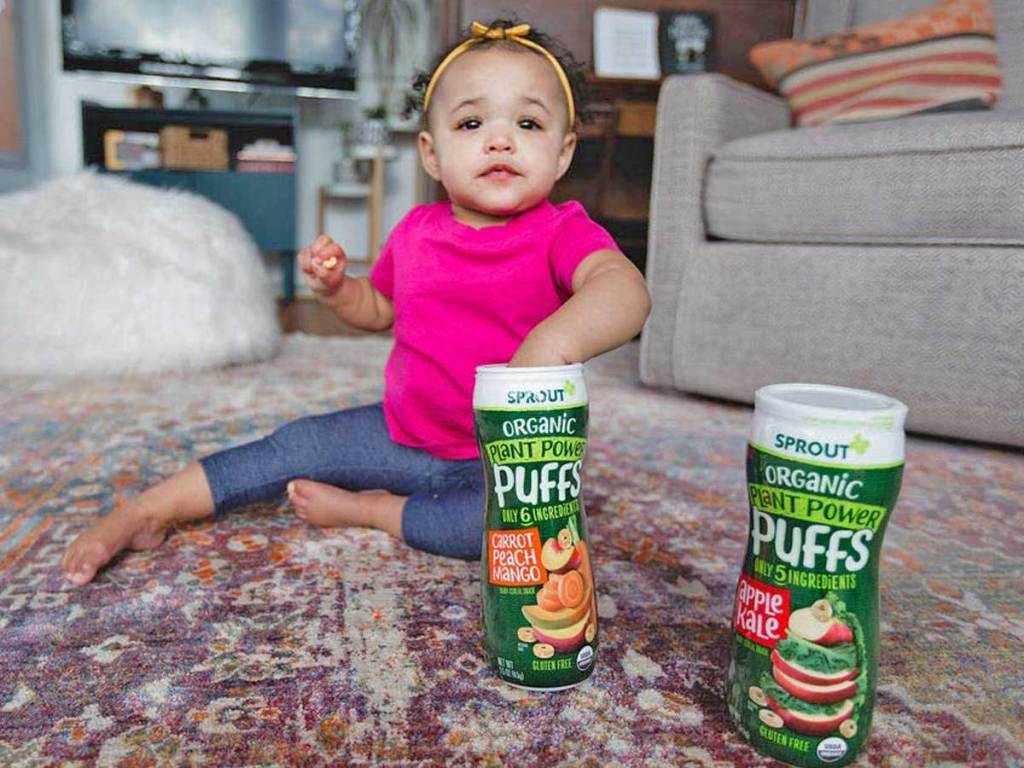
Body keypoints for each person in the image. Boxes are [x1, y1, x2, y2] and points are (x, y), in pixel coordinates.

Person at [61, 20, 652, 586]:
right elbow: (380, 310)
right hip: (400, 431)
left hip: (498, 465)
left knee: (504, 534)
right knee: (294, 444)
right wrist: (340, 290)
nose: (500, 139)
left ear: (564, 151)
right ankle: (146, 511)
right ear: (431, 153)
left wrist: (553, 341)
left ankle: (373, 511)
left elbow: (625, 291)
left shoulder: (561, 233)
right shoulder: (417, 230)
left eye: (527, 123)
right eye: (471, 125)